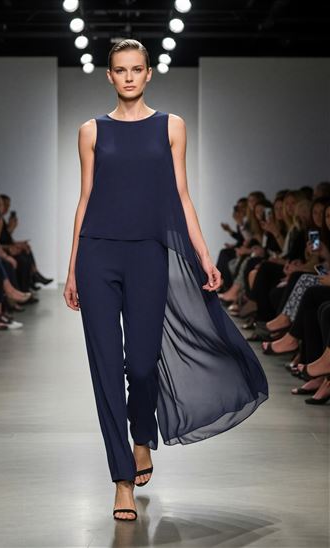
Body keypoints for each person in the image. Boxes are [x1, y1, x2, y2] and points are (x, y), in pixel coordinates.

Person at [63, 39, 269, 522]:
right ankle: (121, 481)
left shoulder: (171, 126)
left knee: (141, 366)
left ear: (149, 73)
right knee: (105, 370)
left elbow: (181, 195)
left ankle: (142, 435)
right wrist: (72, 267)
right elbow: (85, 198)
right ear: (109, 76)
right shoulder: (90, 130)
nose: (128, 77)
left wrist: (204, 255)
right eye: (120, 70)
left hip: (148, 257)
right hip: (97, 255)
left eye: (136, 69)